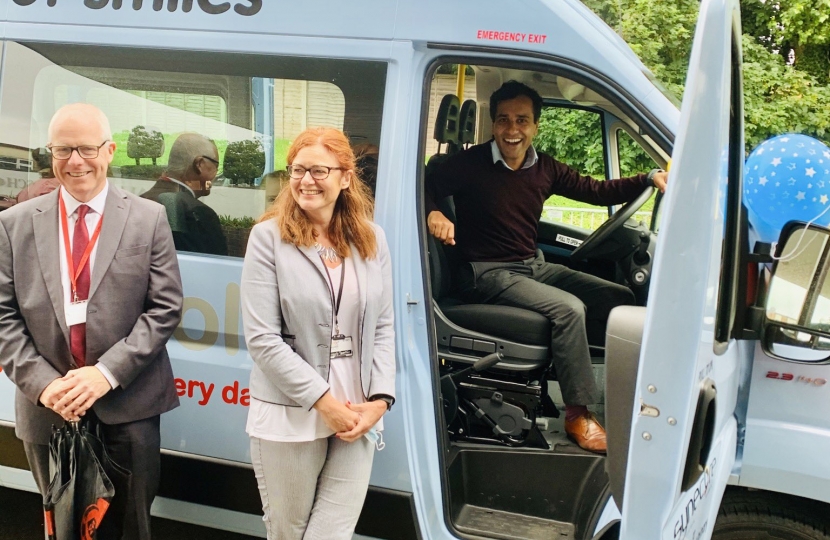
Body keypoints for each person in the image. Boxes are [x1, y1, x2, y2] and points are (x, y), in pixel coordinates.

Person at [425, 81, 668, 454]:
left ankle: (630, 391)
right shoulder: (467, 164)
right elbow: (422, 182)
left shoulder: (545, 169)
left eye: (522, 120)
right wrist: (433, 212)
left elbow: (596, 191)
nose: (512, 129)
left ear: (535, 126)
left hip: (531, 266)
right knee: (569, 310)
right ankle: (578, 413)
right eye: (504, 120)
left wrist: (648, 178)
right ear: (493, 124)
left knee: (617, 296)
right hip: (487, 272)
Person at [0, 103, 183, 539]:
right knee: (61, 528)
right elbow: (3, 315)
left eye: (86, 148)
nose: (75, 161)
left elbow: (165, 309)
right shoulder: (14, 224)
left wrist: (104, 375)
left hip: (129, 406)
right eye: (63, 150)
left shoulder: (148, 218)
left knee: (129, 528)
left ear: (110, 151)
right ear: (50, 153)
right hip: (50, 408)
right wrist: (45, 385)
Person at [241, 127, 395, 540]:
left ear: (346, 177)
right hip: (292, 414)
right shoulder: (268, 239)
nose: (306, 180)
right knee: (289, 534)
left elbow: (383, 325)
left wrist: (379, 400)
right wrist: (324, 402)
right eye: (297, 170)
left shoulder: (372, 239)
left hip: (356, 415)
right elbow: (262, 339)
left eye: (319, 170)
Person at [141, 132, 228, 256]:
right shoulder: (201, 215)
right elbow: (218, 267)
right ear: (199, 164)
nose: (216, 176)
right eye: (216, 166)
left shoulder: (140, 202)